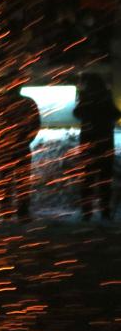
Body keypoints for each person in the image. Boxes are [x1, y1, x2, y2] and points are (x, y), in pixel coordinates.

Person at [0, 78, 42, 220]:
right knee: (22, 180)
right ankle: (21, 211)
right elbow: (36, 124)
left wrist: (1, 139)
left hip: (6, 147)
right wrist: (26, 140)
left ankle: (7, 211)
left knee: (6, 179)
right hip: (21, 146)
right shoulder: (27, 103)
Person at [73, 73, 118, 221]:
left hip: (89, 144)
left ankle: (87, 212)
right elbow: (116, 114)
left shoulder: (87, 98)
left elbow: (77, 113)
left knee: (88, 179)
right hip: (105, 143)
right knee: (105, 179)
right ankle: (105, 212)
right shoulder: (105, 97)